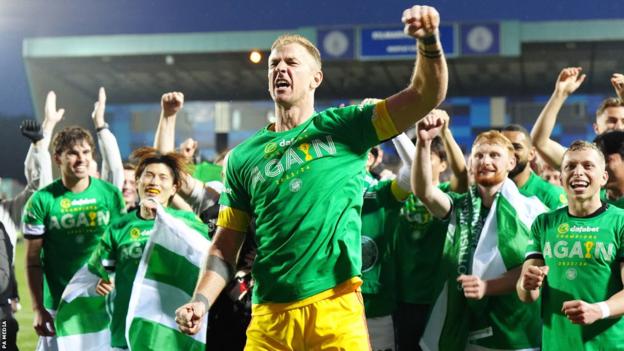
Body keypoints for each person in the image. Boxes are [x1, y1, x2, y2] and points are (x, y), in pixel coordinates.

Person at [175, 4, 448, 349]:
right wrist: (201, 300)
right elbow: (226, 244)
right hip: (269, 318)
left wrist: (428, 43)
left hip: (336, 307)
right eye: (274, 64)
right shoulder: (241, 158)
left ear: (316, 78)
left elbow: (426, 95)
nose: (280, 69)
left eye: (291, 63)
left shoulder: (347, 126)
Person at [413, 114, 544, 350]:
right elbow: (425, 192)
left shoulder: (533, 210)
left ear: (511, 163)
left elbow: (536, 267)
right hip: (469, 330)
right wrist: (423, 143)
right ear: (471, 164)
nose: (485, 161)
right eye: (479, 155)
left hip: (517, 333)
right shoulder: (459, 206)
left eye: (494, 155)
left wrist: (487, 286)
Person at [88, 147, 208, 350]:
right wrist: (100, 283)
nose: (154, 182)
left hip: (170, 333)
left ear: (174, 188)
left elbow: (208, 261)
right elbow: (100, 275)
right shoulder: (119, 227)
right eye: (149, 176)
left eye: (163, 178)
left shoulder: (188, 224)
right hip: (126, 332)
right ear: (138, 182)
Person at [22, 126, 125, 349]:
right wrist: (38, 308)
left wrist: (114, 279)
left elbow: (121, 248)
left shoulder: (110, 194)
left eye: (86, 152)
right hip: (58, 304)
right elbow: (32, 260)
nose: (81, 159)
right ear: (57, 157)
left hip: (101, 301)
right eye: (73, 153)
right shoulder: (41, 201)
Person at [518, 140, 624, 350]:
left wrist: (599, 310)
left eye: (587, 166)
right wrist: (527, 284)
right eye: (570, 167)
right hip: (555, 345)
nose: (578, 172)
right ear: (561, 177)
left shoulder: (620, 221)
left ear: (603, 177)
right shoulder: (544, 223)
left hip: (609, 346)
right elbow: (526, 295)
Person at [394, 109, 467, 350]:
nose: (420, 160)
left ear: (443, 163)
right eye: (414, 156)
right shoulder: (400, 194)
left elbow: (463, 174)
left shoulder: (448, 194)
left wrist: (445, 133)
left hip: (436, 295)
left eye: (428, 156)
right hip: (401, 296)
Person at [531, 67, 624, 170]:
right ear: (596, 128)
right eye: (611, 121)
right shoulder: (581, 160)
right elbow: (539, 142)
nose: (619, 126)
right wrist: (560, 94)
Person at [501, 124, 567, 210]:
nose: (509, 153)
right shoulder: (488, 192)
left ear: (531, 153)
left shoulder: (551, 195)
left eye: (517, 147)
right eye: (504, 147)